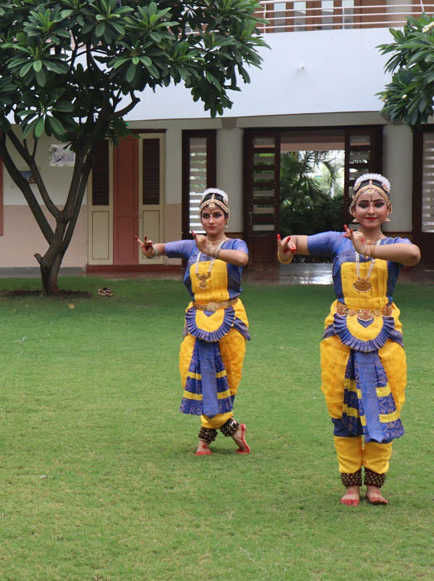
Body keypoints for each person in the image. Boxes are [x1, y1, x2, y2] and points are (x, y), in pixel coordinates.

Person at [278, 173, 420, 506]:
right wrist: (286, 251)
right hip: (341, 331)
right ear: (353, 210)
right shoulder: (336, 241)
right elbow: (293, 244)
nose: (371, 210)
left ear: (388, 210)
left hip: (384, 331)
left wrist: (369, 248)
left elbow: (413, 254)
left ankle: (375, 484)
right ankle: (350, 484)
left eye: (378, 204)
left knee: (385, 404)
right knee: (342, 406)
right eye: (364, 204)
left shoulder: (393, 245)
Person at [137, 188, 251, 456]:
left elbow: (242, 260)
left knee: (228, 375)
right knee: (192, 371)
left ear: (226, 218)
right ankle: (232, 427)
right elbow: (159, 250)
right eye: (206, 215)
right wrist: (150, 250)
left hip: (230, 316)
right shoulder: (191, 245)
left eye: (217, 215)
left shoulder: (234, 245)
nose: (211, 221)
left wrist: (211, 250)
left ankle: (205, 439)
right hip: (197, 318)